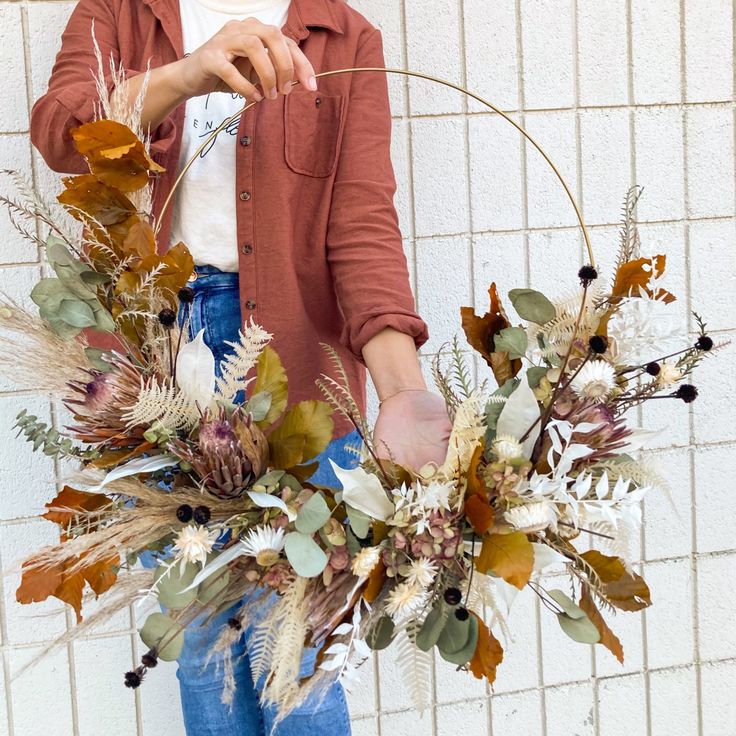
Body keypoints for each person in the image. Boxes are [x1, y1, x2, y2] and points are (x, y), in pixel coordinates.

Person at [30, 0, 452, 733]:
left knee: (299, 640)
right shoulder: (119, 12)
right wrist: (186, 74)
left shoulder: (343, 35)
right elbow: (61, 131)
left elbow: (361, 228)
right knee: (205, 639)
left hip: (294, 355)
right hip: (158, 360)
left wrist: (404, 393)